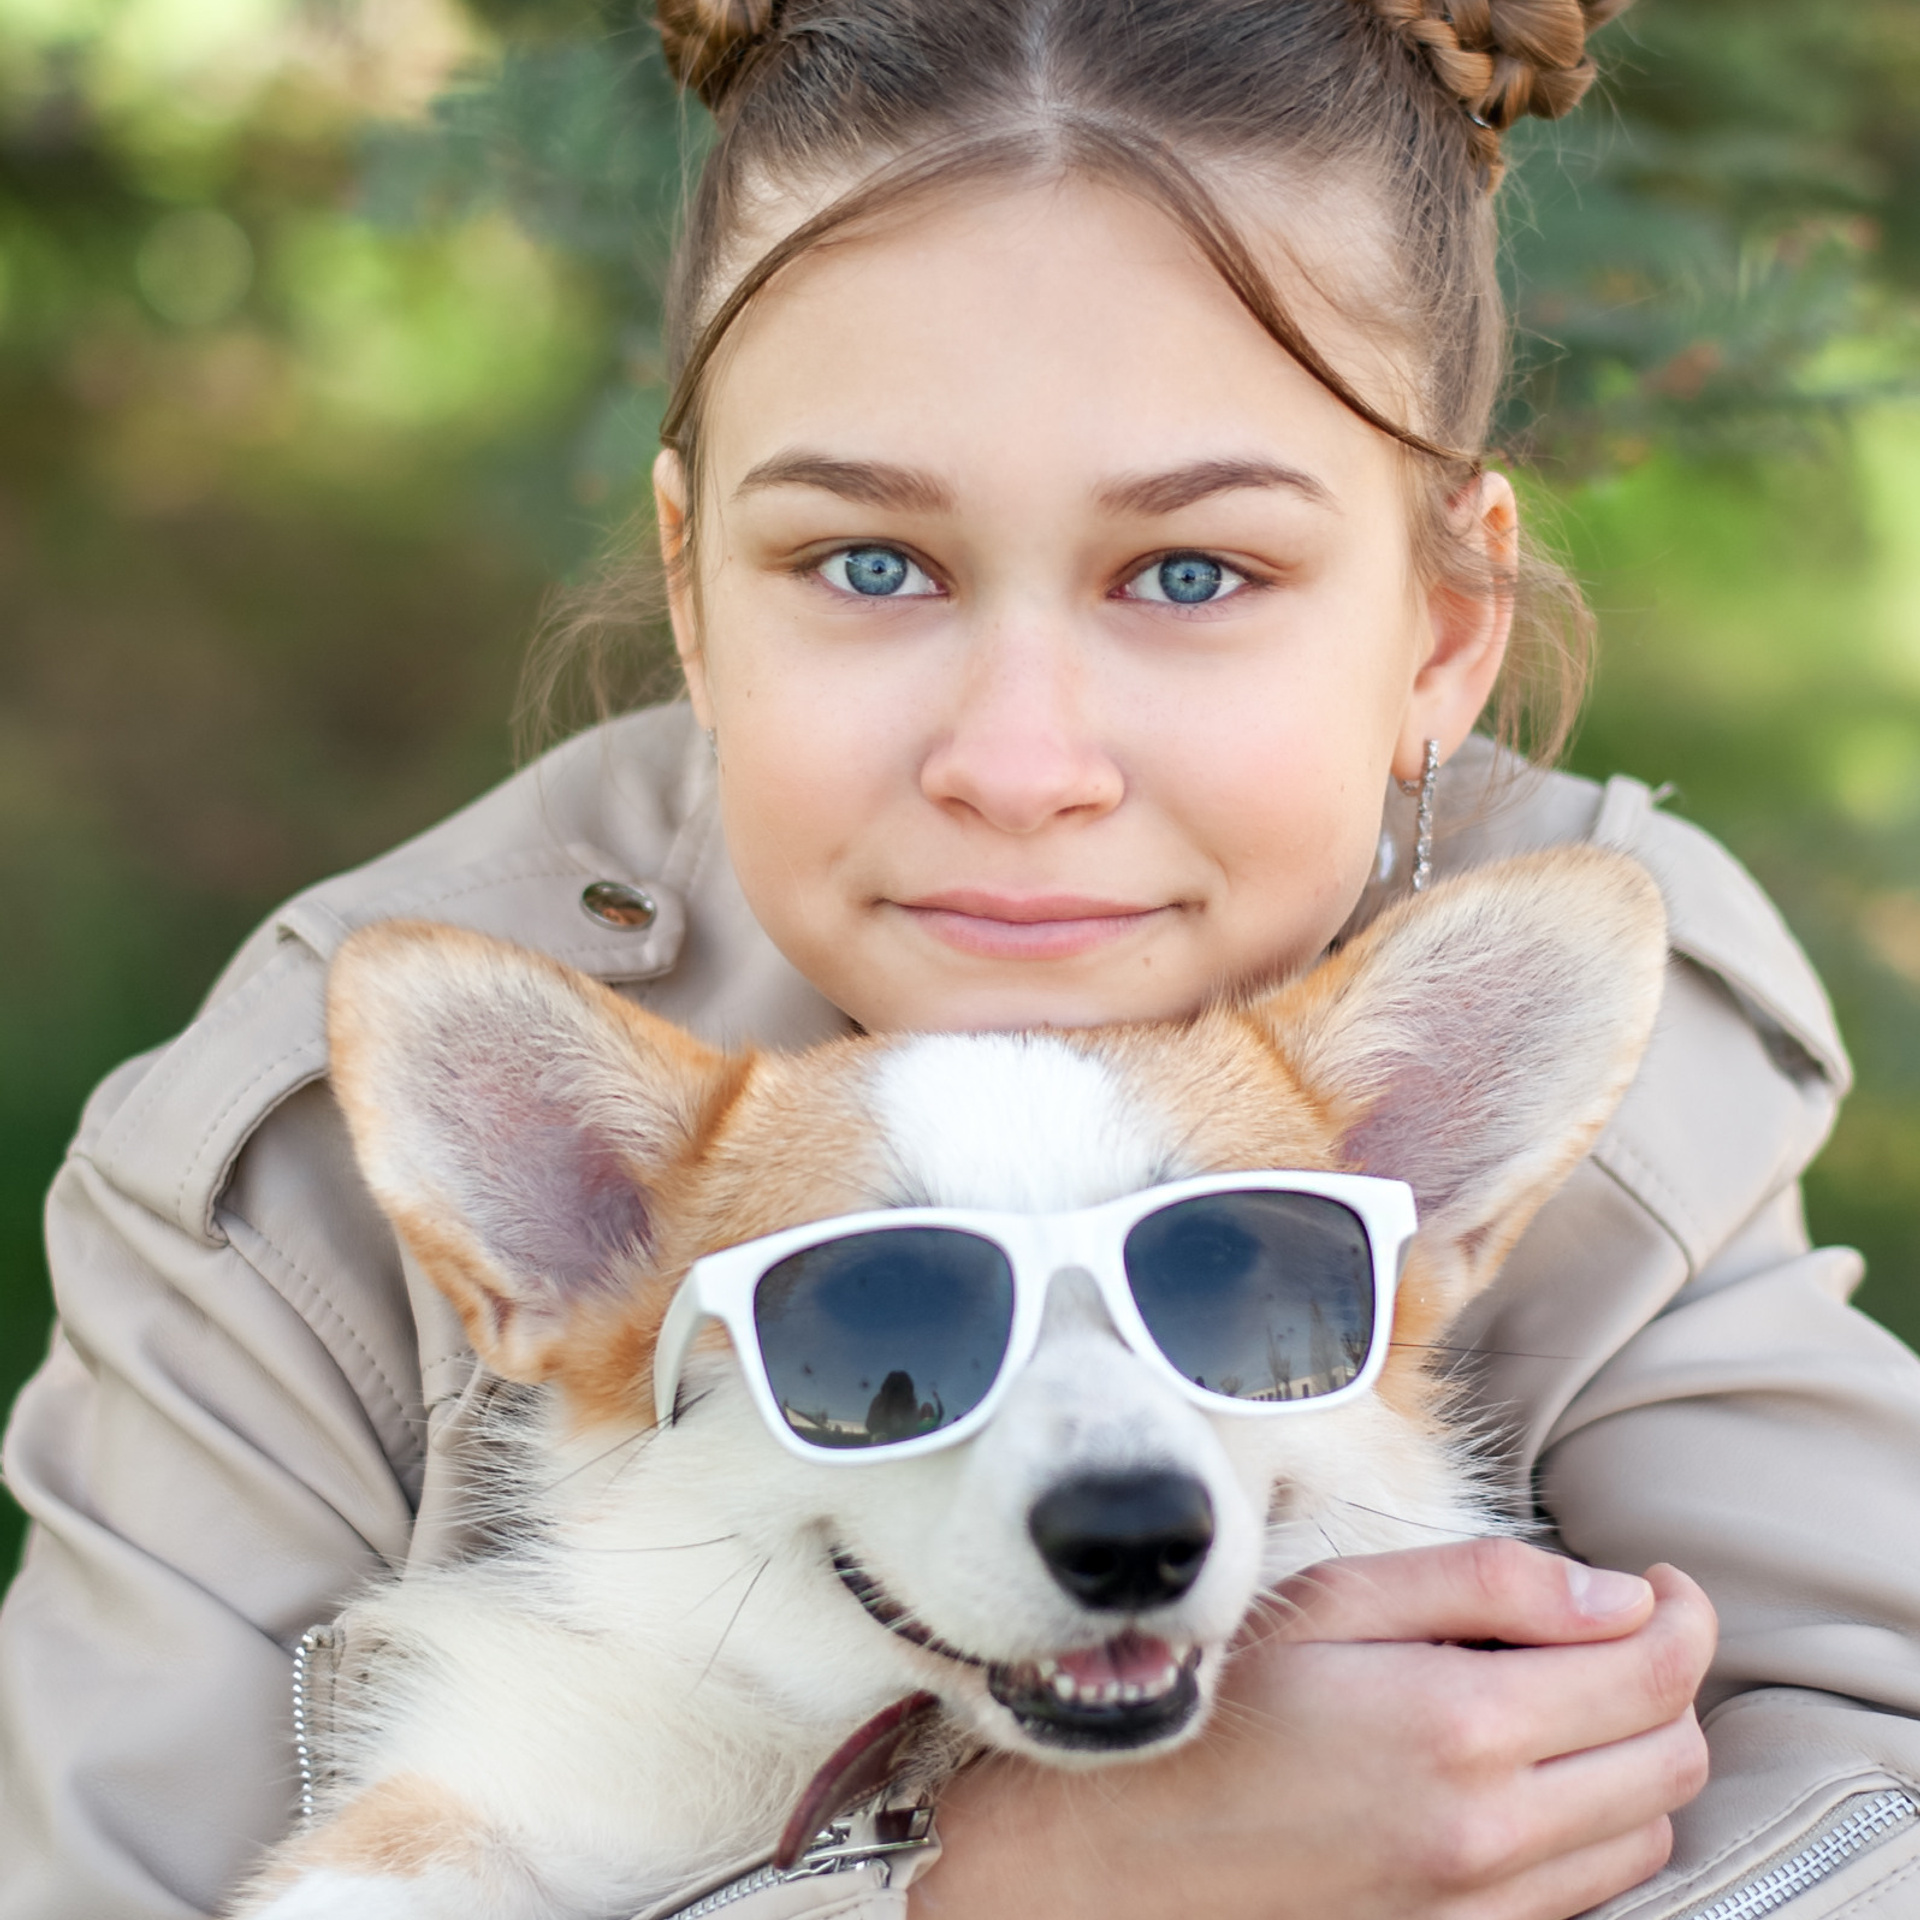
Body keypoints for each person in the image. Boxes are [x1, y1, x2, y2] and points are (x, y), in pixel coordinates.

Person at [5, 0, 1920, 1915]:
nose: (1019, 767)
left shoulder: (1573, 1030)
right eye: (870, 562)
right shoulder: (271, 1175)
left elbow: (1872, 1776)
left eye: (1192, 573)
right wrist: (996, 1886)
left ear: (1439, 629)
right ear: (690, 584)